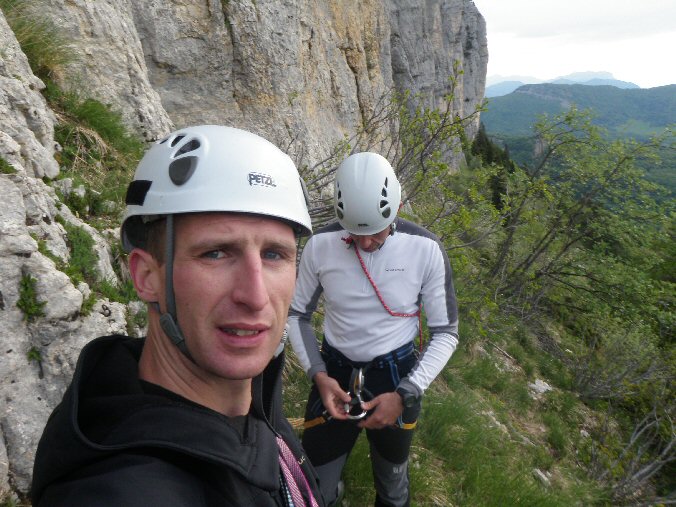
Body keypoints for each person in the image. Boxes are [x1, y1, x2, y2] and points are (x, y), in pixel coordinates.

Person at [31, 125, 324, 507]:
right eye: (215, 253)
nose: (255, 297)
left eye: (274, 255)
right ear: (147, 276)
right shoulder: (120, 492)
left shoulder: (259, 409)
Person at [287, 152, 459, 507]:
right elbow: (297, 314)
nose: (365, 244)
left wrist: (405, 393)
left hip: (395, 378)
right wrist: (318, 374)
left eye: (375, 233)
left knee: (393, 486)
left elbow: (445, 332)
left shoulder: (425, 249)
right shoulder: (321, 246)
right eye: (355, 233)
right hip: (334, 375)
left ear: (397, 209)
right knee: (313, 488)